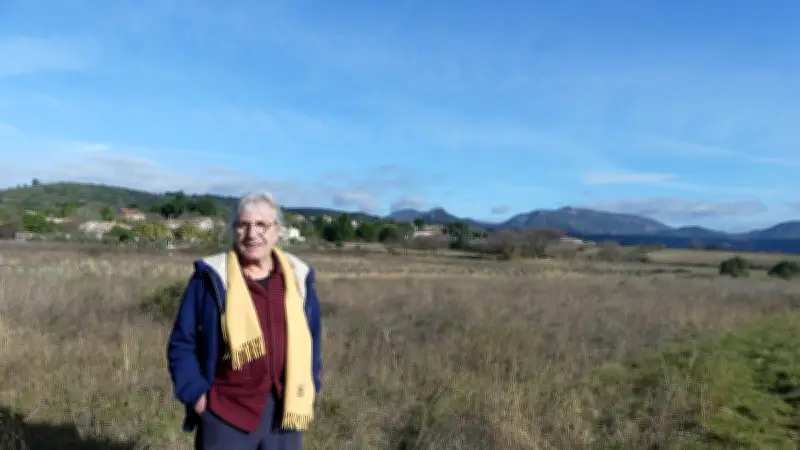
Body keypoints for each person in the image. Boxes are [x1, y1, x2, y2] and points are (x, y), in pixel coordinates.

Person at [167, 191, 323, 450]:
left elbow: (313, 337)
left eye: (262, 225)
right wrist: (197, 396)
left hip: (285, 415)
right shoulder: (211, 278)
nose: (252, 234)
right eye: (243, 225)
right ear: (234, 229)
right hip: (225, 412)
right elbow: (182, 343)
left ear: (277, 231)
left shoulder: (298, 277)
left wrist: (312, 384)